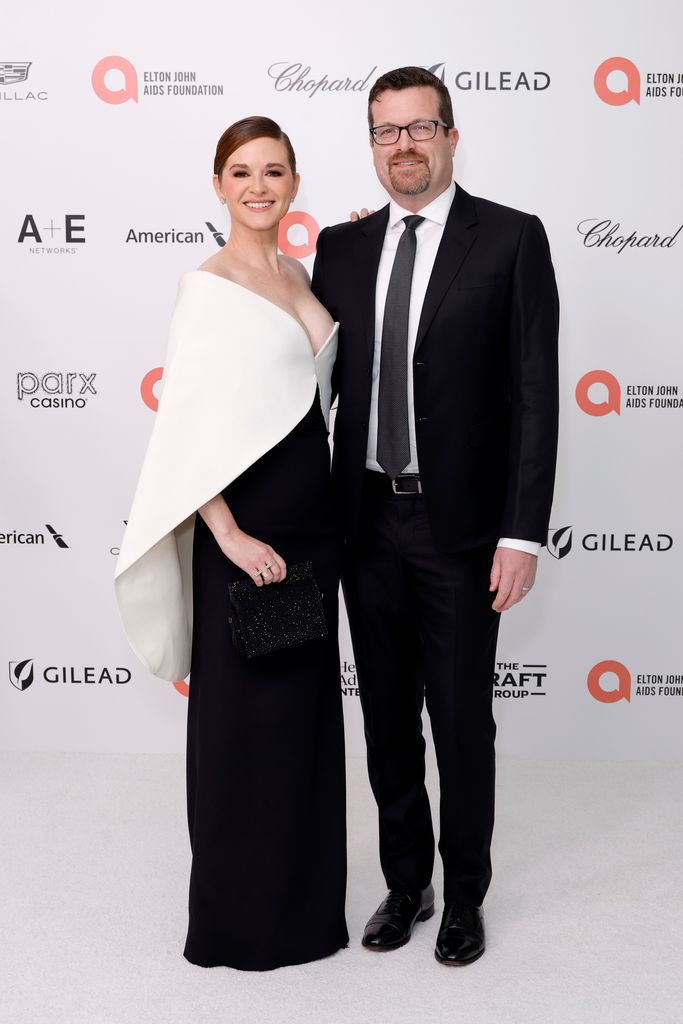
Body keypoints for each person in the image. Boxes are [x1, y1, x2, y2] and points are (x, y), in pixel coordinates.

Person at [312, 66, 559, 966]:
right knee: (384, 719)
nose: (403, 145)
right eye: (385, 131)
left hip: (459, 532)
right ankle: (405, 884)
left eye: (420, 127)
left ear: (452, 137)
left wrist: (521, 531)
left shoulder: (510, 240)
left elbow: (535, 396)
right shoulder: (339, 251)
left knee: (460, 723)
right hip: (363, 524)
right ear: (371, 145)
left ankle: (464, 899)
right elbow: (309, 391)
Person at [114, 117, 348, 971]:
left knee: (303, 724)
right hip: (244, 530)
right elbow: (187, 429)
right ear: (218, 184)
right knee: (242, 731)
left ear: (293, 185)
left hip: (312, 523)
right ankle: (235, 923)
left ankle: (307, 911)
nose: (259, 186)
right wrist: (228, 533)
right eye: (242, 172)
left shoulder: (298, 272)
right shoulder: (205, 287)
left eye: (274, 171)